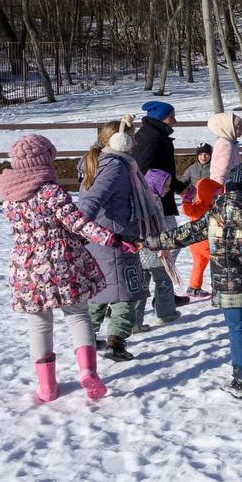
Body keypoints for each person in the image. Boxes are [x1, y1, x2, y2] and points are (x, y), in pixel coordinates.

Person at [147, 162, 242, 398]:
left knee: (237, 328)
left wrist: (150, 241)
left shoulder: (214, 214)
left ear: (229, 187)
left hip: (228, 285)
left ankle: (240, 378)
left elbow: (183, 235)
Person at [0, 134, 131, 402]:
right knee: (77, 315)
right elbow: (78, 223)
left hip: (26, 266)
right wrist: (111, 238)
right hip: (62, 261)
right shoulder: (51, 191)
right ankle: (87, 372)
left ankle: (47, 387)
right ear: (44, 160)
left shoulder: (8, 197)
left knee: (38, 323)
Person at [79, 118, 167, 362]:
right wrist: (82, 227)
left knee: (101, 292)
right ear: (121, 140)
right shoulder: (115, 167)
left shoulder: (105, 164)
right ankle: (115, 343)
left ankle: (85, 339)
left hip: (106, 239)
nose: (136, 141)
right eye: (132, 136)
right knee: (126, 294)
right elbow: (90, 202)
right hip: (115, 241)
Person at [135, 169, 182, 329]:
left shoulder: (139, 199)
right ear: (155, 185)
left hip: (141, 252)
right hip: (156, 252)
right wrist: (164, 246)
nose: (168, 189)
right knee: (164, 282)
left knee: (140, 287)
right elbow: (159, 227)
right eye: (166, 186)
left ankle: (135, 322)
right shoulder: (155, 201)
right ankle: (165, 313)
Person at [133, 100, 188, 217]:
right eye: (171, 116)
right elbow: (142, 170)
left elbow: (163, 169)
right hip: (155, 203)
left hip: (160, 198)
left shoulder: (155, 135)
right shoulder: (152, 138)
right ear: (160, 117)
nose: (175, 121)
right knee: (168, 234)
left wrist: (179, 187)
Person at [181, 177, 223, 299]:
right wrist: (187, 201)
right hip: (205, 243)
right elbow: (187, 211)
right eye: (214, 195)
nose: (215, 198)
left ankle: (194, 287)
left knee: (199, 264)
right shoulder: (200, 206)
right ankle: (221, 287)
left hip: (194, 243)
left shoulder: (207, 206)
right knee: (220, 262)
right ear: (206, 193)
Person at [207, 113, 242, 185]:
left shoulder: (231, 144)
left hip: (232, 187)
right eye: (239, 127)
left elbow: (241, 168)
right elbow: (220, 172)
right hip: (227, 190)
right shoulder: (225, 146)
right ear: (229, 128)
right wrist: (219, 190)